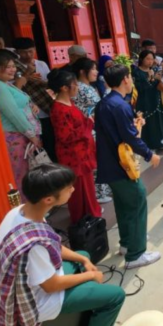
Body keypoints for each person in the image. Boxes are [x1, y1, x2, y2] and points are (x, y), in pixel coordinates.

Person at [0, 164, 124, 326]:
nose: (72, 189)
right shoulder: (33, 246)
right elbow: (51, 286)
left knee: (82, 253)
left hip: (33, 286)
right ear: (49, 199)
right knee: (115, 297)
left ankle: (83, 317)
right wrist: (90, 276)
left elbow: (54, 244)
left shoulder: (21, 212)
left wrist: (83, 259)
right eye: (68, 187)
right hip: (36, 303)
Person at [95, 64, 161, 269]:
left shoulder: (104, 103)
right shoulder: (120, 106)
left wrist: (135, 125)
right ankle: (136, 254)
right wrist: (150, 155)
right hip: (121, 165)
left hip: (109, 163)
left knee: (123, 205)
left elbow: (121, 132)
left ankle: (126, 244)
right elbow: (131, 138)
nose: (131, 79)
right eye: (130, 76)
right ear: (125, 79)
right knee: (137, 201)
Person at [0, 50, 42, 201]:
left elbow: (19, 104)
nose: (12, 70)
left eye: (13, 66)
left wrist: (31, 105)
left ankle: (29, 206)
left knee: (24, 173)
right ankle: (22, 208)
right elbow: (13, 114)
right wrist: (31, 135)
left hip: (19, 136)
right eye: (7, 67)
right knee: (19, 176)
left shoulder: (4, 84)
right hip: (14, 137)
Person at [48, 69, 101, 223]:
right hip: (73, 155)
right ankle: (82, 219)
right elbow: (65, 136)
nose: (77, 87)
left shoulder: (69, 103)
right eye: (75, 85)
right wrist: (88, 124)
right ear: (64, 88)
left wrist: (87, 121)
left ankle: (90, 214)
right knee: (78, 190)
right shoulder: (59, 108)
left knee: (87, 186)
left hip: (81, 152)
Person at [72, 57, 112, 204]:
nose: (96, 72)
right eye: (93, 69)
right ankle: (99, 193)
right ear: (83, 72)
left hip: (91, 128)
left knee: (99, 160)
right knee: (97, 161)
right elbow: (101, 106)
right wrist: (109, 90)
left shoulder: (84, 86)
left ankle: (102, 191)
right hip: (90, 129)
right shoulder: (82, 88)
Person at [13, 38, 56, 163]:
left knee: (51, 139)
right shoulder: (14, 68)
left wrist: (42, 82)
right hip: (31, 112)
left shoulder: (41, 64)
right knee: (39, 144)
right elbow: (15, 89)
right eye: (23, 52)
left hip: (47, 105)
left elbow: (50, 84)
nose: (28, 55)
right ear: (17, 52)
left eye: (30, 51)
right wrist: (26, 74)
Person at [133, 50, 163, 151]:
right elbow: (139, 87)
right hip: (145, 101)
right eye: (147, 59)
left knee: (160, 122)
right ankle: (150, 146)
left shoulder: (154, 70)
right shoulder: (136, 72)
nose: (150, 61)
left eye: (152, 59)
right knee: (149, 124)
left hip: (156, 99)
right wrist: (150, 77)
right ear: (141, 59)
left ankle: (162, 143)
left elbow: (158, 84)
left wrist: (158, 78)